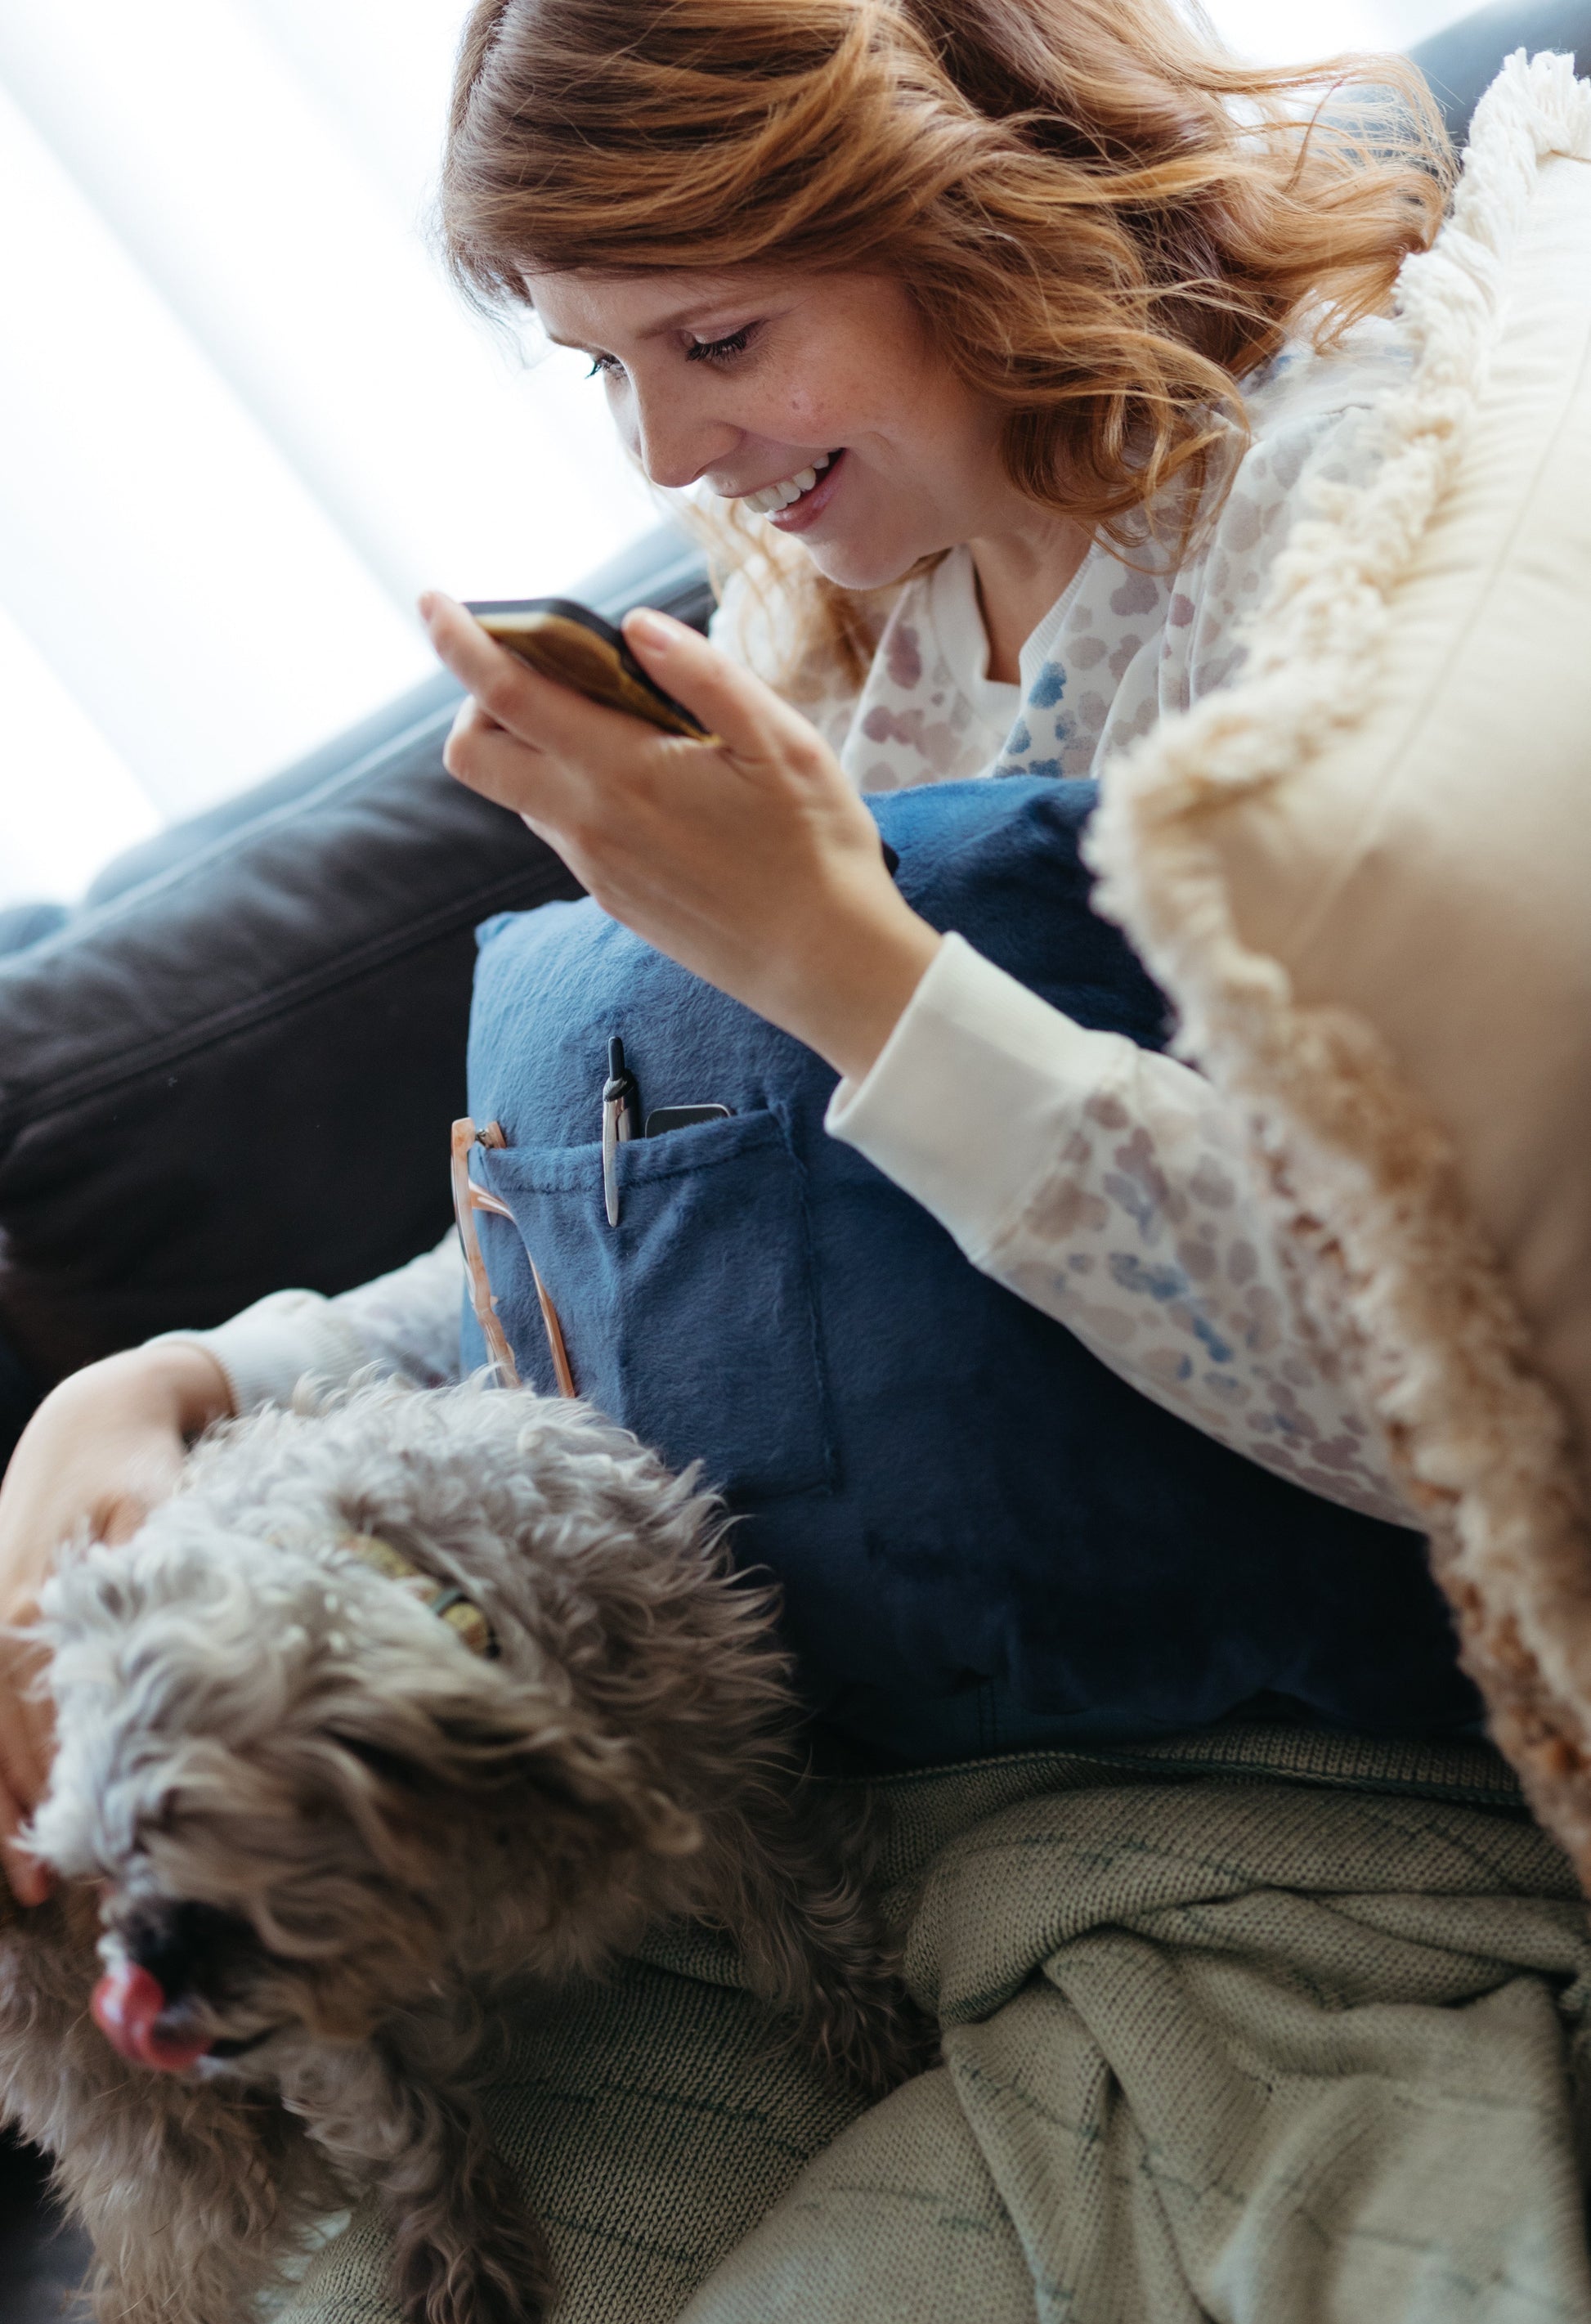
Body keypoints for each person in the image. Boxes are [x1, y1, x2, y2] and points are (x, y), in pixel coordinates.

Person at [0, 0, 1456, 1905]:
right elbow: (663, 1222)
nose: (672, 450)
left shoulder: (1347, 528)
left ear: (972, 192)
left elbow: (1429, 1385)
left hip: (1300, 1686)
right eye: (601, 364)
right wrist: (192, 1375)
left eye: (719, 339)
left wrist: (842, 968)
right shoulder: (860, 615)